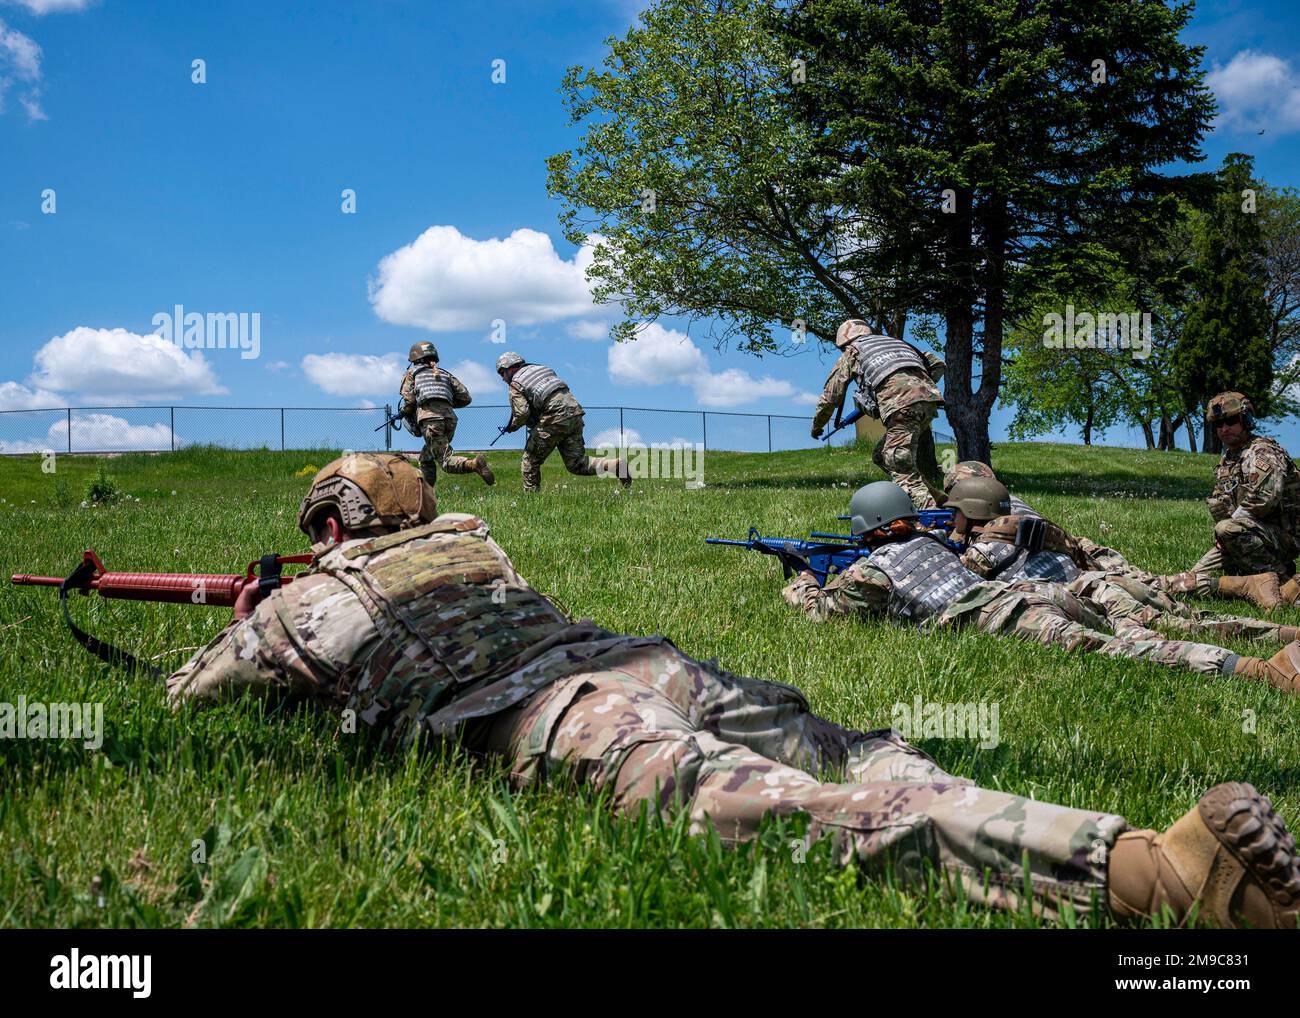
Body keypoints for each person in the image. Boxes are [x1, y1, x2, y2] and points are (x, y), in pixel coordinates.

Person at [165, 453, 1299, 928]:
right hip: (653, 660)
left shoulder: (304, 608)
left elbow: (184, 702)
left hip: (561, 715)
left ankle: (1151, 874)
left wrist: (249, 625)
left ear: (324, 525)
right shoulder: (470, 541)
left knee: (794, 809)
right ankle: (968, 797)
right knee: (851, 747)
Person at [780, 481, 1300, 693]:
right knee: (1144, 629)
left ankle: (1255, 670)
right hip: (1037, 596)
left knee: (1121, 650)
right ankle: (1271, 642)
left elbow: (826, 613)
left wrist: (800, 577)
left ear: (871, 529)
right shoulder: (936, 544)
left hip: (1003, 615)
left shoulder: (874, 567)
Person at [944, 475, 1300, 655]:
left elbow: (961, 583)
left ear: (972, 511)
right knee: (1189, 619)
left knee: (1148, 639)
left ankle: (1239, 666)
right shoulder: (1027, 529)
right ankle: (1278, 633)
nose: (951, 517)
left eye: (954, 511)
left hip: (1089, 597)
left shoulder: (985, 549)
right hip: (1104, 581)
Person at [941, 459, 1284, 610]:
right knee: (1151, 585)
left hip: (1078, 562)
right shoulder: (1006, 500)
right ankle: (1257, 585)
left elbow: (984, 560)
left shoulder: (993, 512)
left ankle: (1246, 584)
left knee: (1151, 588)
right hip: (1081, 552)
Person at [1158, 392, 1300, 609]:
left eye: (1231, 421)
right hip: (1248, 535)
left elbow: (1264, 499)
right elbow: (1223, 502)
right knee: (1190, 581)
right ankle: (1252, 575)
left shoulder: (1263, 451)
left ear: (1246, 421)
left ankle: (1281, 580)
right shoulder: (1228, 459)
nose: (1225, 428)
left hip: (1285, 537)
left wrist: (1227, 531)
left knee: (1227, 529)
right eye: (1219, 424)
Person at [810, 320, 945, 508]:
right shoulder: (897, 343)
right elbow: (938, 364)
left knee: (896, 461)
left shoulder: (854, 350)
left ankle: (934, 516)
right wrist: (918, 386)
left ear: (844, 342)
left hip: (901, 406)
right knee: (882, 456)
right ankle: (936, 499)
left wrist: (817, 426)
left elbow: (831, 396)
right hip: (929, 402)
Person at [494, 352, 629, 493]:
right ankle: (614, 465)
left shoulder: (515, 384)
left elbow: (522, 413)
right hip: (575, 414)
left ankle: (530, 499)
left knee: (530, 460)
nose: (503, 379)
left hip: (553, 418)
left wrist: (512, 427)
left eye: (502, 373)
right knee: (576, 464)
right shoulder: (543, 369)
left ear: (510, 368)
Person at [399, 341, 495, 488]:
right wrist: (445, 403)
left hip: (430, 419)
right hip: (450, 419)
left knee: (445, 461)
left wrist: (403, 412)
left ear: (414, 358)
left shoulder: (412, 373)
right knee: (426, 457)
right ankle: (427, 492)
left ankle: (474, 464)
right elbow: (465, 397)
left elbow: (409, 400)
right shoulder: (445, 374)